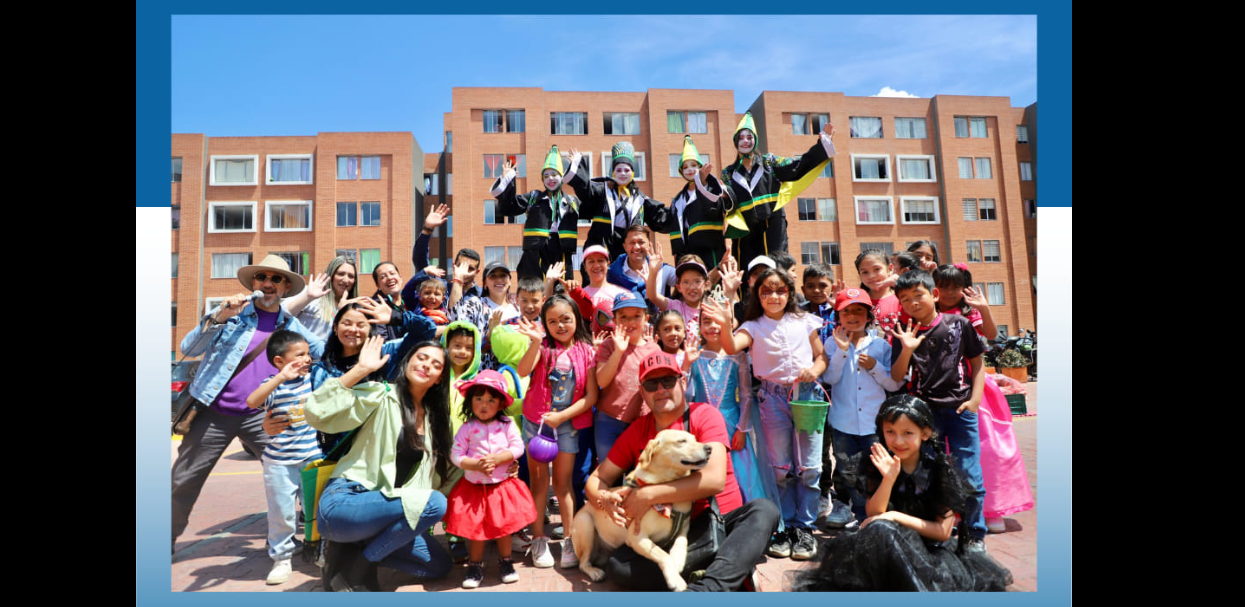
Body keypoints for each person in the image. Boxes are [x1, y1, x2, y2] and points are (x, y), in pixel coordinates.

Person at [585, 351, 780, 592]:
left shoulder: (705, 415)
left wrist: (648, 495)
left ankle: (708, 588)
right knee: (619, 566)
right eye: (651, 384)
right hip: (667, 535)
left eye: (668, 381)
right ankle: (725, 571)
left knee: (764, 511)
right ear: (642, 391)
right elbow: (597, 479)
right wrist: (605, 499)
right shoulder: (637, 431)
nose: (660, 389)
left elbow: (714, 480)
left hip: (716, 524)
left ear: (683, 382)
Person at [171, 254, 323, 551]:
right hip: (213, 411)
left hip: (262, 416)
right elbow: (189, 348)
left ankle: (311, 539)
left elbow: (323, 351)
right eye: (261, 278)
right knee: (183, 480)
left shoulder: (291, 326)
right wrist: (220, 316)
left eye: (275, 279)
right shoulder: (233, 315)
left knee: (300, 472)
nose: (267, 284)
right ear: (253, 283)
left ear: (284, 288)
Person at [794, 395, 1012, 591]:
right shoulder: (878, 464)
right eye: (890, 432)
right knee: (880, 528)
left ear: (925, 433)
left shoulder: (938, 471)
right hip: (886, 549)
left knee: (884, 526)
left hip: (927, 555)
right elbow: (874, 513)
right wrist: (888, 478)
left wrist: (895, 516)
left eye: (908, 433)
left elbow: (943, 532)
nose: (898, 441)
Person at [306, 339, 459, 590]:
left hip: (386, 511)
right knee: (434, 503)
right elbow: (318, 412)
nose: (426, 365)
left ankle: (355, 552)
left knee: (439, 566)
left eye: (436, 364)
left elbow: (452, 470)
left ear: (440, 378)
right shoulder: (381, 394)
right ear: (408, 361)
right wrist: (360, 370)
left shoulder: (434, 422)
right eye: (421, 357)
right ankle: (360, 565)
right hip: (346, 502)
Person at [700, 267, 828, 561]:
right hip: (771, 398)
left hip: (805, 395)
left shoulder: (804, 320)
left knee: (809, 467)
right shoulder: (753, 326)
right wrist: (724, 315)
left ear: (789, 292)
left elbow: (821, 356)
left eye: (780, 290)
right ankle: (782, 526)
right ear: (758, 296)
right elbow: (731, 346)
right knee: (780, 468)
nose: (773, 296)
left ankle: (804, 529)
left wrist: (815, 370)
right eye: (766, 291)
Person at [890, 270, 989, 551]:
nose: (913, 303)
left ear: (934, 294)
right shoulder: (903, 331)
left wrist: (974, 400)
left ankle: (974, 533)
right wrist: (907, 348)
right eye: (905, 299)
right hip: (925, 414)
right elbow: (897, 375)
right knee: (928, 472)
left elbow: (977, 363)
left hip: (960, 410)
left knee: (969, 472)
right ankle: (934, 528)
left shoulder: (958, 323)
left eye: (918, 295)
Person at [932, 264, 1033, 532]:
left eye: (955, 286)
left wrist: (984, 308)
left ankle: (991, 510)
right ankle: (953, 511)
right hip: (941, 390)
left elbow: (990, 335)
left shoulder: (970, 313)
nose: (949, 292)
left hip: (975, 389)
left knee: (988, 451)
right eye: (943, 286)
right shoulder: (929, 314)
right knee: (946, 453)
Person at [513, 294, 599, 569]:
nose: (560, 325)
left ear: (576, 318)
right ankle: (538, 539)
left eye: (565, 319)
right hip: (536, 426)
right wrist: (535, 341)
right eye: (552, 321)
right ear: (545, 324)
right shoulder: (542, 347)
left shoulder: (587, 351)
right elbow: (523, 370)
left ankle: (570, 540)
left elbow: (591, 396)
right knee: (539, 485)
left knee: (563, 486)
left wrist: (562, 416)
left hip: (568, 425)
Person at [444, 370, 537, 588]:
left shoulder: (505, 425)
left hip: (501, 487)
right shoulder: (467, 428)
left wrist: (498, 458)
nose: (484, 405)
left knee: (503, 528)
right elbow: (456, 455)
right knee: (476, 531)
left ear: (500, 403)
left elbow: (517, 447)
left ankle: (506, 562)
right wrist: (475, 464)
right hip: (474, 489)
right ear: (470, 401)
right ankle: (475, 566)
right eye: (479, 399)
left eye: (491, 400)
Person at [244, 330, 323, 585]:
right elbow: (251, 401)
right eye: (300, 355)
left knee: (315, 510)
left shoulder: (313, 380)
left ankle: (321, 549)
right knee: (282, 513)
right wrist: (280, 378)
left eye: (308, 353)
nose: (307, 359)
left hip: (312, 458)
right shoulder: (273, 385)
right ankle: (282, 557)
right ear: (279, 361)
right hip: (279, 462)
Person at [820, 288, 902, 525]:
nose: (853, 316)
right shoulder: (832, 344)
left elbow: (893, 385)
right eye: (846, 312)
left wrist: (876, 366)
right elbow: (830, 379)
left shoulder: (880, 346)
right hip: (843, 423)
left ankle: (877, 516)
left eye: (859, 311)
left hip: (873, 424)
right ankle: (859, 515)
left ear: (869, 316)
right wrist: (842, 352)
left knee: (875, 471)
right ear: (838, 316)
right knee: (848, 472)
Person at [719, 113, 836, 271]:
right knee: (746, 272)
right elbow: (728, 205)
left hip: (772, 224)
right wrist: (723, 197)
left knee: (777, 268)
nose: (745, 141)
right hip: (745, 231)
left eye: (749, 137)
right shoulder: (728, 173)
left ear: (755, 140)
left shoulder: (769, 163)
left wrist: (821, 146)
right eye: (741, 138)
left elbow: (796, 166)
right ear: (735, 142)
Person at [685, 309, 776, 506]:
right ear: (699, 326)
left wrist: (742, 429)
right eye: (706, 321)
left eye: (718, 321)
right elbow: (687, 392)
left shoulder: (737, 356)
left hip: (732, 424)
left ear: (729, 324)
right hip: (702, 425)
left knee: (742, 472)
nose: (713, 326)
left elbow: (745, 395)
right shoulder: (696, 355)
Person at [565, 143, 670, 261]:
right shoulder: (603, 191)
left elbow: (660, 217)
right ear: (613, 173)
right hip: (603, 245)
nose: (623, 173)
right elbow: (586, 189)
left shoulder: (640, 200)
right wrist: (577, 164)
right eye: (618, 170)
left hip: (627, 249)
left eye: (626, 170)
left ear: (633, 173)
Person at [490, 146, 581, 280]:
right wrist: (507, 180)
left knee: (561, 294)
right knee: (534, 292)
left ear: (562, 177)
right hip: (535, 253)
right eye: (546, 176)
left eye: (554, 175)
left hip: (562, 253)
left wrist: (578, 169)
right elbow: (508, 207)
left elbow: (593, 202)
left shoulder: (573, 202)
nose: (550, 179)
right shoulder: (534, 197)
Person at [594, 290, 661, 459]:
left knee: (639, 474)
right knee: (608, 474)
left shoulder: (653, 349)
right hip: (609, 420)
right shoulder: (608, 346)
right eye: (623, 317)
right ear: (614, 320)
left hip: (642, 422)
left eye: (636, 316)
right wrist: (618, 351)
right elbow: (601, 379)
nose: (630, 322)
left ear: (646, 318)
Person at [654, 135, 730, 268]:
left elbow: (720, 208)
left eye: (693, 165)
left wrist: (704, 185)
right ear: (681, 171)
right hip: (687, 253)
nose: (689, 169)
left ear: (700, 167)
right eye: (685, 167)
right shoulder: (678, 200)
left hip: (711, 250)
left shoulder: (715, 188)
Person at [450, 260, 520, 371]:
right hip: (484, 374)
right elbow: (456, 319)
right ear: (485, 283)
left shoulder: (518, 309)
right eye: (493, 276)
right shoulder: (476, 304)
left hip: (514, 373)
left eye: (503, 276)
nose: (499, 280)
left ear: (510, 281)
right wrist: (458, 281)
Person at [283, 255, 359, 341]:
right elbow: (283, 313)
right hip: (303, 352)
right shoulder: (312, 293)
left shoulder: (353, 306)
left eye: (351, 276)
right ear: (331, 275)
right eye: (341, 274)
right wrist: (307, 298)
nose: (346, 280)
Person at [606, 225, 676, 308]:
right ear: (625, 247)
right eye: (632, 243)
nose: (636, 247)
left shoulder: (662, 270)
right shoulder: (611, 274)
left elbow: (688, 281)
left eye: (641, 242)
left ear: (649, 245)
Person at [649, 250, 709, 343]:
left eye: (697, 281)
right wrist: (653, 271)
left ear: (706, 285)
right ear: (678, 287)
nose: (692, 287)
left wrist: (730, 291)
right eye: (686, 282)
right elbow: (652, 296)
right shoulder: (674, 306)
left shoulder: (712, 308)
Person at [855, 249, 903, 338]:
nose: (871, 276)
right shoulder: (857, 303)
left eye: (877, 269)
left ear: (890, 269)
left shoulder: (902, 298)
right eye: (865, 272)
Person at [370, 261, 408, 341]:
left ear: (400, 278)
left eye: (392, 273)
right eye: (383, 277)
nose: (390, 278)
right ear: (378, 285)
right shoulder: (376, 307)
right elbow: (382, 342)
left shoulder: (411, 300)